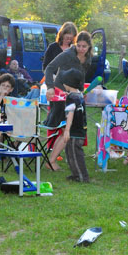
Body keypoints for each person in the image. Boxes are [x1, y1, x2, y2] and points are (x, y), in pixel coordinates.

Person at [43, 31, 93, 168]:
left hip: (73, 94)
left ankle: (55, 159)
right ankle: (51, 161)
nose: (81, 49)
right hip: (60, 93)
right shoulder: (68, 54)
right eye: (79, 46)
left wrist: (81, 92)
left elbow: (81, 76)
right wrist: (50, 87)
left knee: (70, 128)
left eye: (84, 46)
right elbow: (49, 68)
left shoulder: (88, 58)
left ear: (89, 47)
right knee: (65, 127)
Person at [57, 68, 89, 183]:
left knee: (75, 155)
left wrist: (67, 130)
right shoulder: (78, 95)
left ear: (68, 83)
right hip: (80, 130)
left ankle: (82, 177)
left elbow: (70, 114)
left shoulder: (71, 97)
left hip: (74, 131)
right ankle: (75, 174)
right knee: (70, 152)